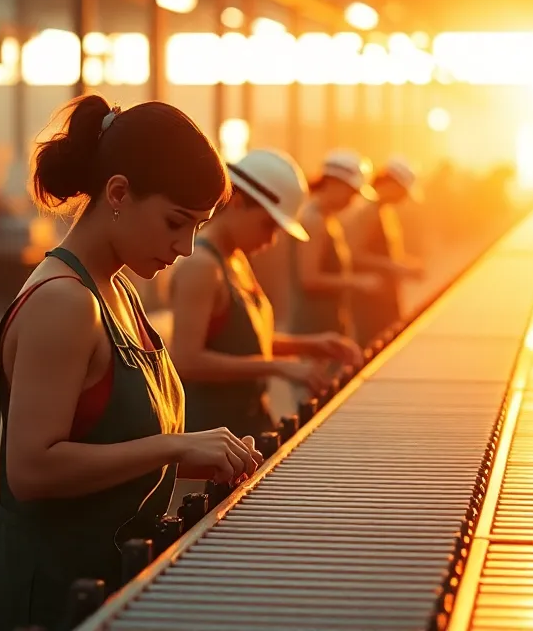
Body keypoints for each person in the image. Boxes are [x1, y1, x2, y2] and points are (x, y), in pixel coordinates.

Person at [0, 96, 264, 631]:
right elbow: (32, 470)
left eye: (198, 227)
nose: (185, 246)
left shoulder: (119, 293)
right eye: (176, 222)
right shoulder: (65, 302)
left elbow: (106, 440)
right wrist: (175, 445)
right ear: (118, 193)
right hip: (50, 600)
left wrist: (208, 455)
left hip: (104, 587)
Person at [168, 149, 364, 439]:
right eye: (268, 225)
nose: (272, 240)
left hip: (245, 424)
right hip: (212, 433)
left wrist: (310, 345)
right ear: (237, 204)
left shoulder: (235, 259)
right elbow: (187, 359)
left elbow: (245, 343)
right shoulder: (201, 266)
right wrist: (279, 368)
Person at [288, 149, 386, 341]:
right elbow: (309, 279)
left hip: (328, 320)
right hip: (314, 327)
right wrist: (357, 281)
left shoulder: (328, 219)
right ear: (333, 184)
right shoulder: (313, 220)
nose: (352, 200)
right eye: (350, 193)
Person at [344, 156, 426, 346]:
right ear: (391, 184)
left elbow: (387, 253)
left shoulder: (385, 212)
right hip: (371, 301)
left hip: (386, 296)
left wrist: (406, 264)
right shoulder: (368, 213)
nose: (403, 198)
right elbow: (353, 254)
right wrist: (393, 266)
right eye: (402, 192)